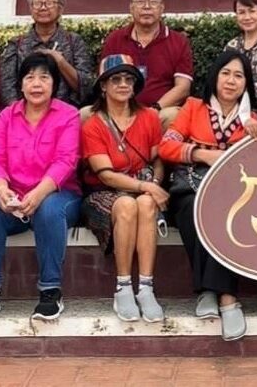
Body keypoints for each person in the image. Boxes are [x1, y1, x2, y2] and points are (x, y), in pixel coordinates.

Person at [0, 53, 82, 322]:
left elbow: (66, 161)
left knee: (48, 209)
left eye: (44, 77)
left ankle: (50, 290)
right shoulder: (6, 116)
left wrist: (40, 193)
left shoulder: (68, 115)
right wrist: (1, 189)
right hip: (14, 197)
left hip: (58, 194)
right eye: (30, 77)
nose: (36, 84)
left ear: (55, 84)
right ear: (20, 84)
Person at [159, 51, 257, 341]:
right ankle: (225, 296)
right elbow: (166, 146)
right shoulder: (193, 107)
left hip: (231, 193)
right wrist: (202, 154)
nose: (231, 81)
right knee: (195, 210)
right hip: (190, 189)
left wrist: (256, 136)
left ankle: (215, 294)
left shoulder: (251, 120)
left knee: (227, 214)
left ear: (246, 83)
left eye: (239, 76)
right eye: (225, 73)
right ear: (215, 76)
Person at [80, 55, 169, 323]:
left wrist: (154, 185)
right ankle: (123, 287)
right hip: (102, 192)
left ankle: (146, 287)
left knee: (146, 203)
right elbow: (105, 175)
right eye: (115, 79)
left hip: (143, 188)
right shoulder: (93, 124)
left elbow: (157, 159)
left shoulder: (149, 117)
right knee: (128, 205)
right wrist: (146, 186)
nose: (123, 84)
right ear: (103, 85)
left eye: (129, 79)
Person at [99, 0, 194, 111]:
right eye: (140, 1)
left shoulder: (178, 41)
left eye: (153, 1)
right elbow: (106, 83)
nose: (147, 6)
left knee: (172, 114)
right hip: (121, 110)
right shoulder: (115, 39)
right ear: (131, 8)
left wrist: (155, 110)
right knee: (85, 114)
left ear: (162, 8)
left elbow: (183, 87)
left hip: (160, 112)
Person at [0, 0, 95, 105]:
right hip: (26, 113)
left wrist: (61, 62)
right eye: (37, 3)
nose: (43, 8)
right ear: (31, 9)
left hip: (66, 112)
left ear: (60, 9)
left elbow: (86, 87)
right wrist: (19, 112)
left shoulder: (74, 42)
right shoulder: (17, 44)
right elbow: (7, 87)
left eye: (49, 3)